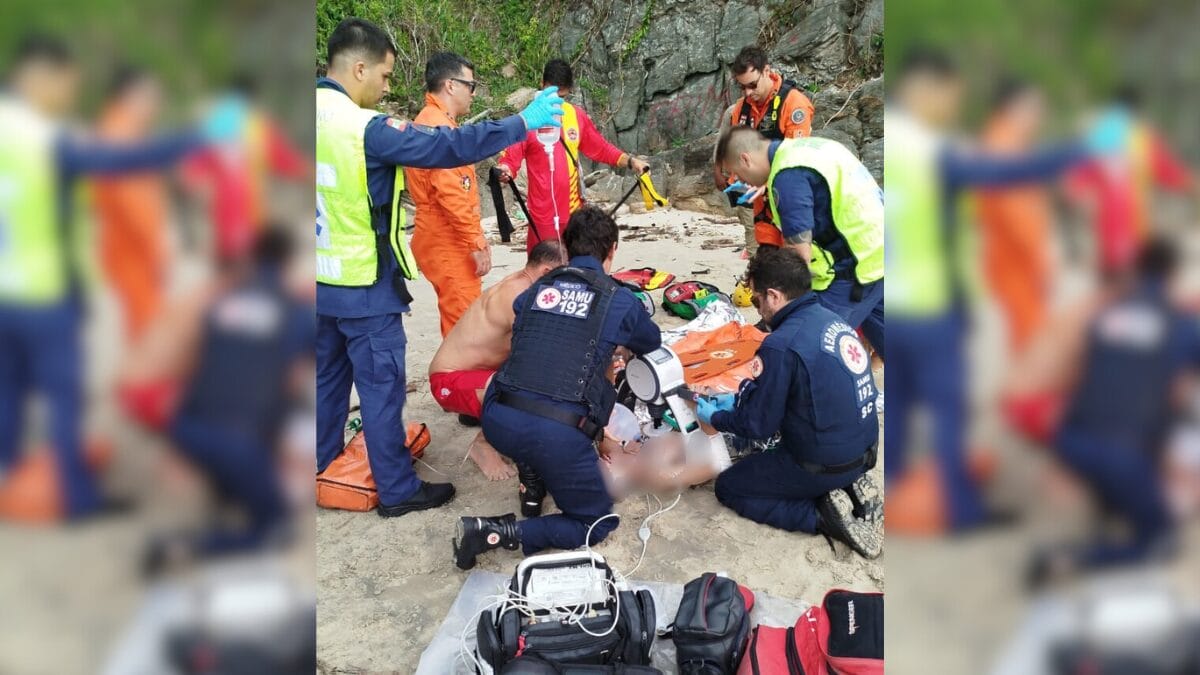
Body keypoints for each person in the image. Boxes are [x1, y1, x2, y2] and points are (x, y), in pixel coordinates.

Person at [314, 17, 565, 518]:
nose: (387, 88)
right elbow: (446, 151)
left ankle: (322, 462)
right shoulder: (363, 128)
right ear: (358, 67)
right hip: (364, 283)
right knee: (382, 388)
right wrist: (521, 123)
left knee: (325, 380)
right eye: (384, 77)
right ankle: (399, 491)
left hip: (319, 279)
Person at [884, 48, 1126, 532]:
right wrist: (1083, 149)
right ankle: (961, 510)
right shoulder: (934, 149)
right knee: (949, 409)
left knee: (901, 405)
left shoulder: (893, 141)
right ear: (926, 87)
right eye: (950, 96)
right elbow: (1006, 178)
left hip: (895, 302)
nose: (952, 107)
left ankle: (897, 494)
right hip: (932, 306)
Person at [0, 34, 234, 519]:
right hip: (44, 295)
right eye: (66, 85)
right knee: (65, 396)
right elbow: (120, 165)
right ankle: (78, 500)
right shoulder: (44, 137)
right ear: (41, 75)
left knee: (10, 392)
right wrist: (199, 136)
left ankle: (10, 478)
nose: (68, 96)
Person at [451, 207, 661, 569]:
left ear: (565, 246)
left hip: (498, 416)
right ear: (612, 249)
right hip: (555, 431)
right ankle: (496, 533)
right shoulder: (619, 299)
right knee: (595, 522)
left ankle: (533, 474)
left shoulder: (534, 291)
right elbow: (651, 339)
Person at [143, 227, 314, 574]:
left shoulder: (223, 303)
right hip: (236, 440)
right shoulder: (295, 312)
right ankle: (183, 548)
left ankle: (228, 493)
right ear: (286, 263)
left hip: (185, 426)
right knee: (276, 530)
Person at [1029, 239, 1200, 586]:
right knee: (1160, 541)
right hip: (1123, 453)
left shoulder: (1106, 315)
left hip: (1071, 440)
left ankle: (1112, 504)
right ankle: (1066, 560)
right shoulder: (1181, 324)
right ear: (1171, 276)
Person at [693, 247, 881, 558]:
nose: (758, 308)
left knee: (730, 487)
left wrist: (717, 417)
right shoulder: (832, 319)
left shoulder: (781, 345)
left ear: (774, 296)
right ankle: (844, 486)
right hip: (864, 450)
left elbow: (757, 425)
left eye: (756, 300)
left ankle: (821, 516)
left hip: (824, 461)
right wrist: (745, 394)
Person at [716, 126, 885, 359]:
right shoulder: (810, 148)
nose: (740, 181)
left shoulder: (787, 177)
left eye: (736, 173)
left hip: (854, 271)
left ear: (745, 159)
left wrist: (777, 305)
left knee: (812, 343)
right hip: (881, 251)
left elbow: (798, 258)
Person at [427, 239, 565, 480]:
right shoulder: (517, 297)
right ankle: (483, 444)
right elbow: (540, 352)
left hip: (477, 373)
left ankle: (494, 424)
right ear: (546, 271)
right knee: (531, 384)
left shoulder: (525, 283)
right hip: (449, 381)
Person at [497, 59, 649, 251]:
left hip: (573, 215)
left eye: (562, 96)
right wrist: (505, 170)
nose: (557, 102)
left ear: (569, 91)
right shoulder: (527, 119)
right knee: (543, 273)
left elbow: (600, 147)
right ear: (542, 85)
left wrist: (630, 161)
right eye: (552, 94)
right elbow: (511, 158)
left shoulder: (576, 115)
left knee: (575, 272)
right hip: (543, 219)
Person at [1064, 85, 1195, 279]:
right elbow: (1169, 172)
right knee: (1130, 278)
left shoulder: (1099, 136)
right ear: (1138, 110)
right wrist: (1191, 182)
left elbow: (1076, 182)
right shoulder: (1143, 137)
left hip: (1110, 225)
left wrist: (1080, 200)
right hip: (1135, 223)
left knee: (1113, 279)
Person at [182, 73, 311, 265]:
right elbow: (286, 160)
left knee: (232, 272)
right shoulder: (258, 126)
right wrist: (311, 172)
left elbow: (191, 171)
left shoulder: (216, 126)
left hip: (229, 220)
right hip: (248, 217)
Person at [407, 52, 492, 336]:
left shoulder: (435, 122)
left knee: (459, 317)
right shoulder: (436, 127)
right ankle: (455, 379)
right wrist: (476, 243)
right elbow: (451, 195)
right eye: (471, 85)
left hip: (444, 233)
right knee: (465, 327)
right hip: (447, 237)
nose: (473, 93)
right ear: (451, 85)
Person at [92, 65, 172, 340]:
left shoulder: (128, 133)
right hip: (133, 253)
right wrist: (158, 250)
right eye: (151, 97)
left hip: (132, 251)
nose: (155, 105)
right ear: (130, 95)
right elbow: (133, 206)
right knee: (146, 333)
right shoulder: (119, 137)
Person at [976, 79, 1056, 354]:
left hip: (1016, 259)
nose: (1038, 117)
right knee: (1029, 341)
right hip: (1016, 262)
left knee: (1026, 338)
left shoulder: (1011, 143)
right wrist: (1040, 260)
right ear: (1014, 107)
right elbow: (1015, 216)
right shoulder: (1002, 147)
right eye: (1034, 109)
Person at [712, 46, 816, 256]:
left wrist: (768, 185)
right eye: (743, 88)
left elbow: (796, 158)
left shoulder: (794, 104)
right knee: (762, 260)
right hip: (754, 204)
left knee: (791, 261)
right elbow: (732, 145)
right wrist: (720, 169)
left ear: (766, 70)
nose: (749, 93)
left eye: (752, 85)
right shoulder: (741, 108)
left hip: (787, 198)